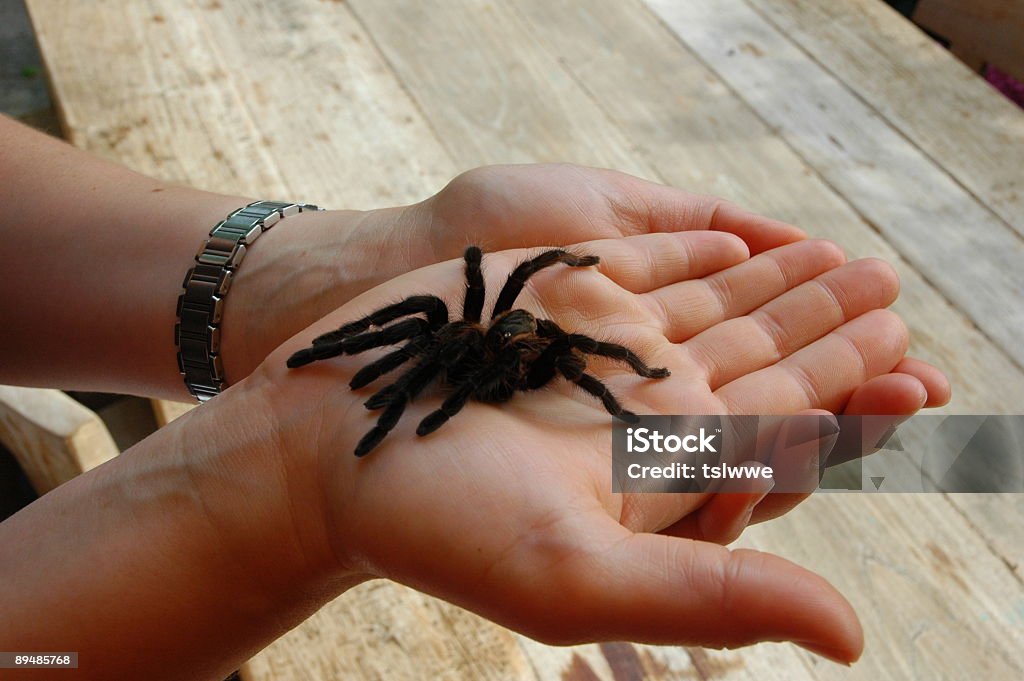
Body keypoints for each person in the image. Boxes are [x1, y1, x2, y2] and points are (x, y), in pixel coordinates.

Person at [0, 115, 949, 680]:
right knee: (415, 330)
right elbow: (419, 322)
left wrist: (324, 272)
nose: (439, 372)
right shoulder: (444, 325)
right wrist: (289, 486)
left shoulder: (526, 340)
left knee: (496, 349)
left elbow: (540, 334)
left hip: (530, 342)